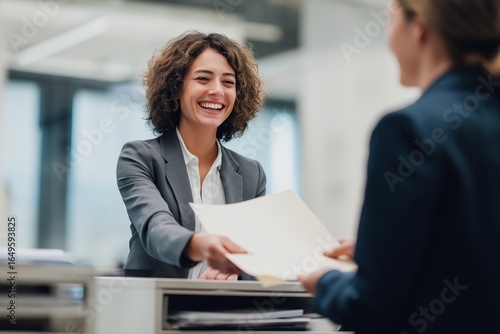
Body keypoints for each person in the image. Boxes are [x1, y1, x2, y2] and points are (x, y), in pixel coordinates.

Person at [299, 0, 500, 333]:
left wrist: (324, 281)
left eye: (390, 20)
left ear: (418, 27)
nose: (388, 37)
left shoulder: (408, 129)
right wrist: (379, 246)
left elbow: (370, 306)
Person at [116, 32, 266, 279]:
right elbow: (156, 228)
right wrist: (201, 246)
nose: (217, 90)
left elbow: (255, 254)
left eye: (228, 82)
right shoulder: (140, 157)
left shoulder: (252, 173)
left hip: (224, 310)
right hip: (156, 309)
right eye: (203, 78)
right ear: (175, 88)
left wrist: (238, 275)